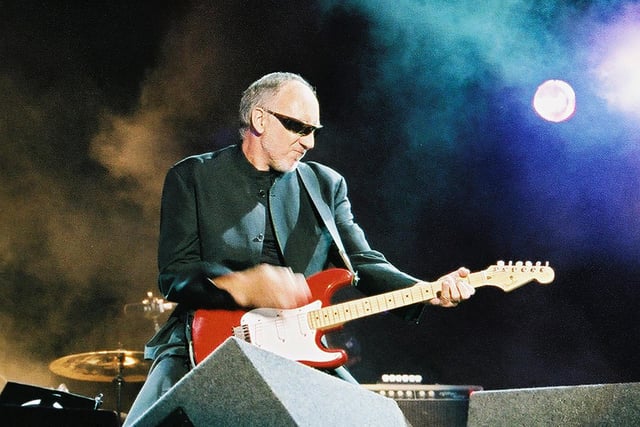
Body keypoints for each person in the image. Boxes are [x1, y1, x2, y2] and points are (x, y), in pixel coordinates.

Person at [124, 72, 475, 425]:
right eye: (299, 128)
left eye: (314, 131)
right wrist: (240, 285)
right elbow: (174, 275)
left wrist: (424, 291)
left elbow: (363, 263)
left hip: (296, 345)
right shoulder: (192, 177)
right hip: (202, 339)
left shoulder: (325, 184)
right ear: (259, 119)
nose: (309, 143)